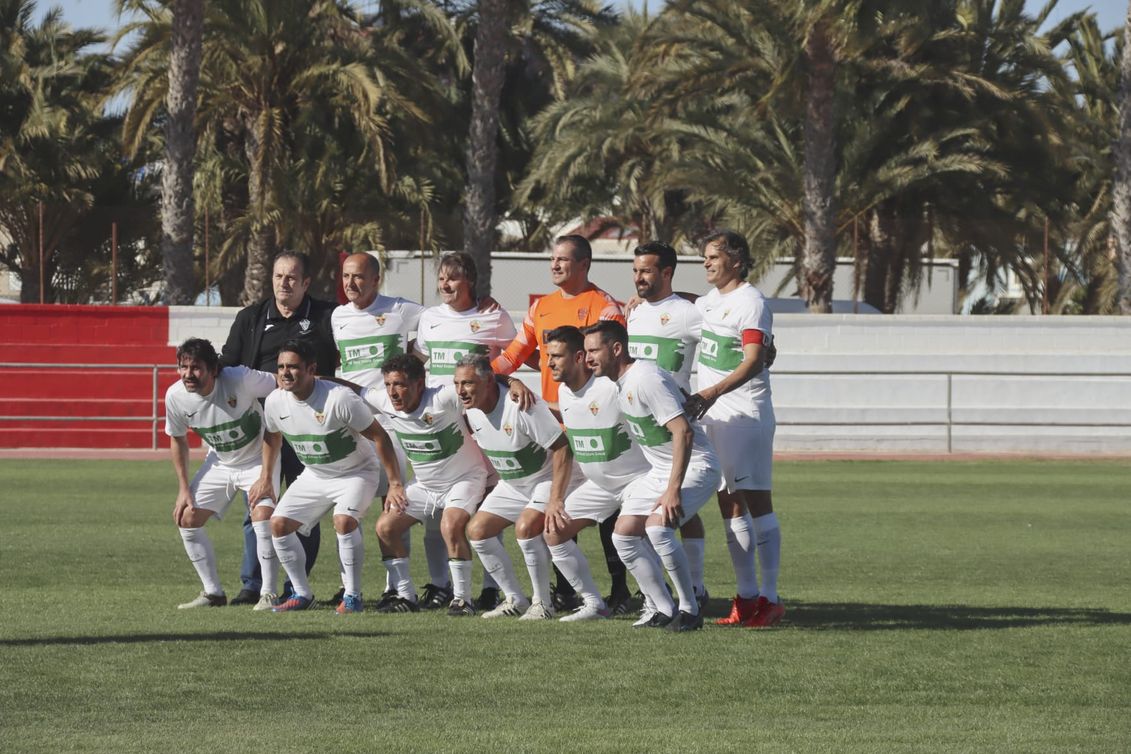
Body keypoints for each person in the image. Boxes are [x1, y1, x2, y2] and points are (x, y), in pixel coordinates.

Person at [492, 235, 632, 613]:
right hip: (553, 425)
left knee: (610, 506)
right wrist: (489, 377)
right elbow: (513, 354)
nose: (554, 265)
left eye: (563, 260)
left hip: (596, 421)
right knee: (560, 509)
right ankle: (566, 590)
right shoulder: (541, 307)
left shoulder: (605, 307)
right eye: (552, 259)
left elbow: (614, 362)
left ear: (584, 264)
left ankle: (621, 590)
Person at [584, 320, 722, 632]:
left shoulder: (645, 378)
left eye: (593, 351)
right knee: (623, 535)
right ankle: (663, 608)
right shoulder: (623, 381)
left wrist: (672, 490)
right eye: (586, 351)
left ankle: (690, 609)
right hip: (661, 471)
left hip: (697, 465)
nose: (588, 358)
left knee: (658, 528)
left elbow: (683, 432)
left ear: (616, 349)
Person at [249, 339, 405, 613]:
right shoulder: (275, 401)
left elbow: (380, 437)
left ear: (311, 369)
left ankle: (352, 597)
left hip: (356, 473)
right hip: (315, 474)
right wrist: (265, 478)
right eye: (281, 367)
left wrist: (394, 483)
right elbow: (272, 437)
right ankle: (302, 594)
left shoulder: (340, 398)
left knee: (344, 521)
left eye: (293, 367)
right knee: (279, 525)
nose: (285, 373)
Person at [332, 252, 451, 610]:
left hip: (393, 423)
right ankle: (350, 586)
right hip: (352, 424)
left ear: (376, 279)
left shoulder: (400, 309)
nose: (351, 283)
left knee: (395, 502)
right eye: (346, 276)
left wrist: (412, 363)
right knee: (348, 505)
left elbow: (439, 318)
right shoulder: (338, 316)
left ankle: (400, 587)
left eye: (358, 276)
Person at [219, 251, 336, 605]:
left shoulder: (327, 316)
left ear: (306, 283)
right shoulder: (251, 318)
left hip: (309, 425)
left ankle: (296, 587)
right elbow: (227, 365)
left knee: (305, 509)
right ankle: (253, 584)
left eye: (291, 277)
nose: (284, 283)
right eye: (278, 276)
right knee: (259, 501)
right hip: (263, 426)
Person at [685, 229, 784, 628]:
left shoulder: (751, 302)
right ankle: (745, 598)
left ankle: (771, 599)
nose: (706, 263)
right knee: (729, 504)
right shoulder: (711, 301)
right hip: (716, 417)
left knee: (757, 502)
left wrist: (710, 391)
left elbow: (754, 359)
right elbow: (690, 304)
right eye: (705, 257)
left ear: (737, 261)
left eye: (714, 256)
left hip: (745, 415)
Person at [413, 252, 517, 610]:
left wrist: (509, 382)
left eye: (453, 278)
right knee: (434, 510)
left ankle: (491, 587)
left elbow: (516, 355)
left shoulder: (493, 315)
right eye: (442, 278)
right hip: (440, 427)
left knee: (488, 504)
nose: (445, 284)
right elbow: (418, 361)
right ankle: (440, 585)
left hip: (479, 424)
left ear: (469, 281)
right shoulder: (430, 318)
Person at [541, 326, 652, 623]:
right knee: (554, 530)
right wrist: (513, 383)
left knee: (630, 536)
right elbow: (570, 421)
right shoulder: (564, 392)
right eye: (548, 356)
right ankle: (594, 604)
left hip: (636, 480)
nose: (549, 363)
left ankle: (660, 602)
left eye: (556, 356)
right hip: (601, 486)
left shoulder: (610, 386)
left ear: (579, 357)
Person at [365, 354, 489, 616]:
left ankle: (463, 600)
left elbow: (485, 383)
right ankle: (406, 596)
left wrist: (513, 382)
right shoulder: (383, 400)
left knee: (450, 525)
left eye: (400, 384)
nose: (392, 392)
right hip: (425, 485)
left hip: (464, 479)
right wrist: (317, 380)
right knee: (385, 527)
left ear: (419, 384)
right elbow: (353, 390)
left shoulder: (442, 398)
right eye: (388, 384)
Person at [456, 354, 577, 620]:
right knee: (477, 531)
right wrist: (511, 379)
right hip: (512, 484)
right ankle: (515, 599)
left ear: (488, 381)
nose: (461, 390)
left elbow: (562, 447)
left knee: (525, 527)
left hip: (545, 479)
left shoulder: (521, 405)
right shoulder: (470, 407)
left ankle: (543, 604)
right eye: (457, 383)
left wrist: (556, 498)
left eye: (468, 383)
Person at [165, 338, 281, 610]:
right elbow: (178, 439)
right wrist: (183, 489)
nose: (188, 374)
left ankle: (269, 593)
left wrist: (266, 477)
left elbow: (283, 384)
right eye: (183, 367)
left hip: (258, 460)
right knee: (186, 517)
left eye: (196, 367)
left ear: (214, 369)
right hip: (220, 462)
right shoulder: (175, 396)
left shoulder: (240, 378)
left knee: (262, 517)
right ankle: (213, 593)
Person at [626, 241, 709, 606]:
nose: (638, 278)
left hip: (674, 423)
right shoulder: (634, 313)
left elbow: (725, 329)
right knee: (656, 512)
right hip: (642, 428)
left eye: (646, 271)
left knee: (677, 511)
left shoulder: (688, 313)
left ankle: (695, 587)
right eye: (635, 271)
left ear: (667, 273)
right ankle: (668, 589)